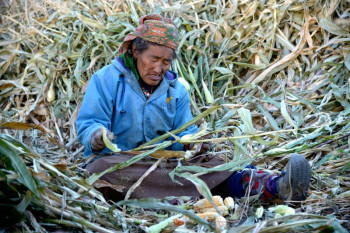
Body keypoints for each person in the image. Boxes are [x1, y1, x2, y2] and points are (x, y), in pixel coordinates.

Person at [76, 14, 311, 203]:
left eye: (166, 61)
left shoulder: (176, 90)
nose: (159, 68)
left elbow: (183, 132)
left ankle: (275, 186)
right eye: (153, 59)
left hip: (165, 164)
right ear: (136, 51)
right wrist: (97, 135)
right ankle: (187, 192)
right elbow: (88, 124)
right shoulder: (106, 80)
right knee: (99, 169)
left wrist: (194, 141)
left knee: (216, 163)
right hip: (122, 164)